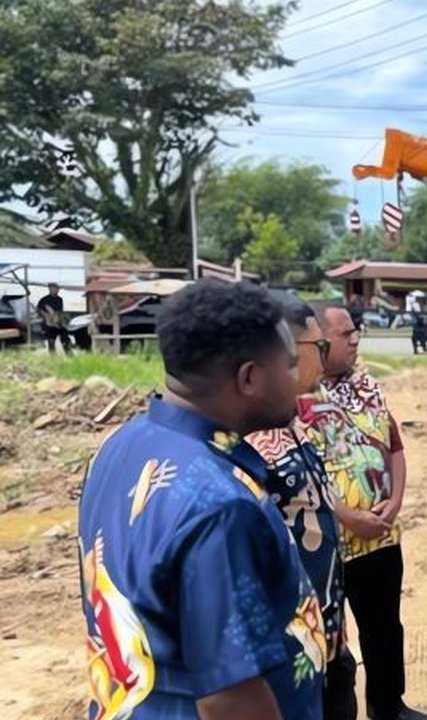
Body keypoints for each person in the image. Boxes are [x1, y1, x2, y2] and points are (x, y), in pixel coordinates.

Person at [77, 280, 324, 720]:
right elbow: (230, 699)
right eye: (289, 367)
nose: (299, 381)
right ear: (249, 378)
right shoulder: (220, 507)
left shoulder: (121, 445)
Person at [301, 305, 427, 720]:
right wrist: (346, 516)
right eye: (346, 333)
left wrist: (394, 503)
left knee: (386, 628)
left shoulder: (368, 385)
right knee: (332, 641)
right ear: (318, 340)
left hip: (382, 535)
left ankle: (389, 706)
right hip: (330, 544)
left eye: (357, 332)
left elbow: (394, 445)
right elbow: (296, 474)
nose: (355, 340)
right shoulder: (298, 396)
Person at [247, 295, 358, 720]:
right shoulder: (248, 442)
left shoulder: (291, 423)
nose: (326, 358)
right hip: (290, 649)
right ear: (288, 352)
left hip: (328, 634)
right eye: (321, 348)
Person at [37, 282, 73, 354]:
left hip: (58, 323)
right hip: (49, 324)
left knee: (65, 338)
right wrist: (46, 316)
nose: (55, 290)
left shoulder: (59, 299)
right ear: (50, 289)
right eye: (53, 288)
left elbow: (60, 311)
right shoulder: (44, 299)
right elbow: (39, 309)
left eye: (57, 288)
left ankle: (70, 355)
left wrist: (59, 319)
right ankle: (53, 358)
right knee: (51, 341)